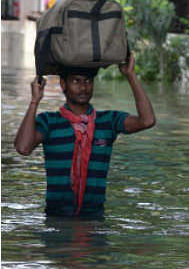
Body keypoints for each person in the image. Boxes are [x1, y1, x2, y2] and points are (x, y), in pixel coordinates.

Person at [14, 54, 156, 217]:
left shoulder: (107, 121)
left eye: (88, 81)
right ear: (63, 84)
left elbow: (147, 121)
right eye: (76, 81)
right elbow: (23, 148)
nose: (83, 87)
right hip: (57, 219)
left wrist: (130, 75)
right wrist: (34, 101)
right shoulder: (49, 121)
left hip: (94, 219)